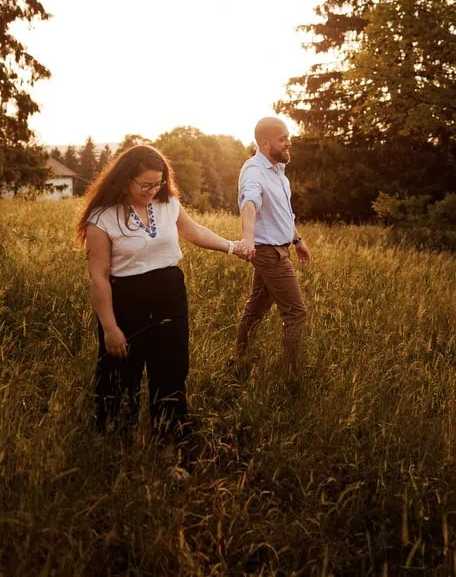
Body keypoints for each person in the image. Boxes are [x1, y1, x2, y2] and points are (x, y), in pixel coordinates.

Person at [76, 144, 248, 446]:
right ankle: (116, 443)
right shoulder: (102, 218)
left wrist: (233, 247)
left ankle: (171, 443)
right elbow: (99, 277)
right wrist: (110, 327)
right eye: (145, 185)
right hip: (126, 300)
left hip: (170, 293)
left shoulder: (168, 204)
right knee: (120, 375)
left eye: (158, 183)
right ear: (125, 180)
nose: (152, 190)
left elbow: (195, 232)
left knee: (171, 371)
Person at [232, 117, 311, 391]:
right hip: (267, 253)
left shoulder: (278, 170)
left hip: (281, 248)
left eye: (288, 136)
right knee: (297, 313)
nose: (288, 142)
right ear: (265, 143)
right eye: (282, 138)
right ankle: (291, 379)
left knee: (256, 308)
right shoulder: (254, 171)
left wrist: (297, 239)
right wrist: (248, 238)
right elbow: (249, 202)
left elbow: (282, 213)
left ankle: (237, 359)